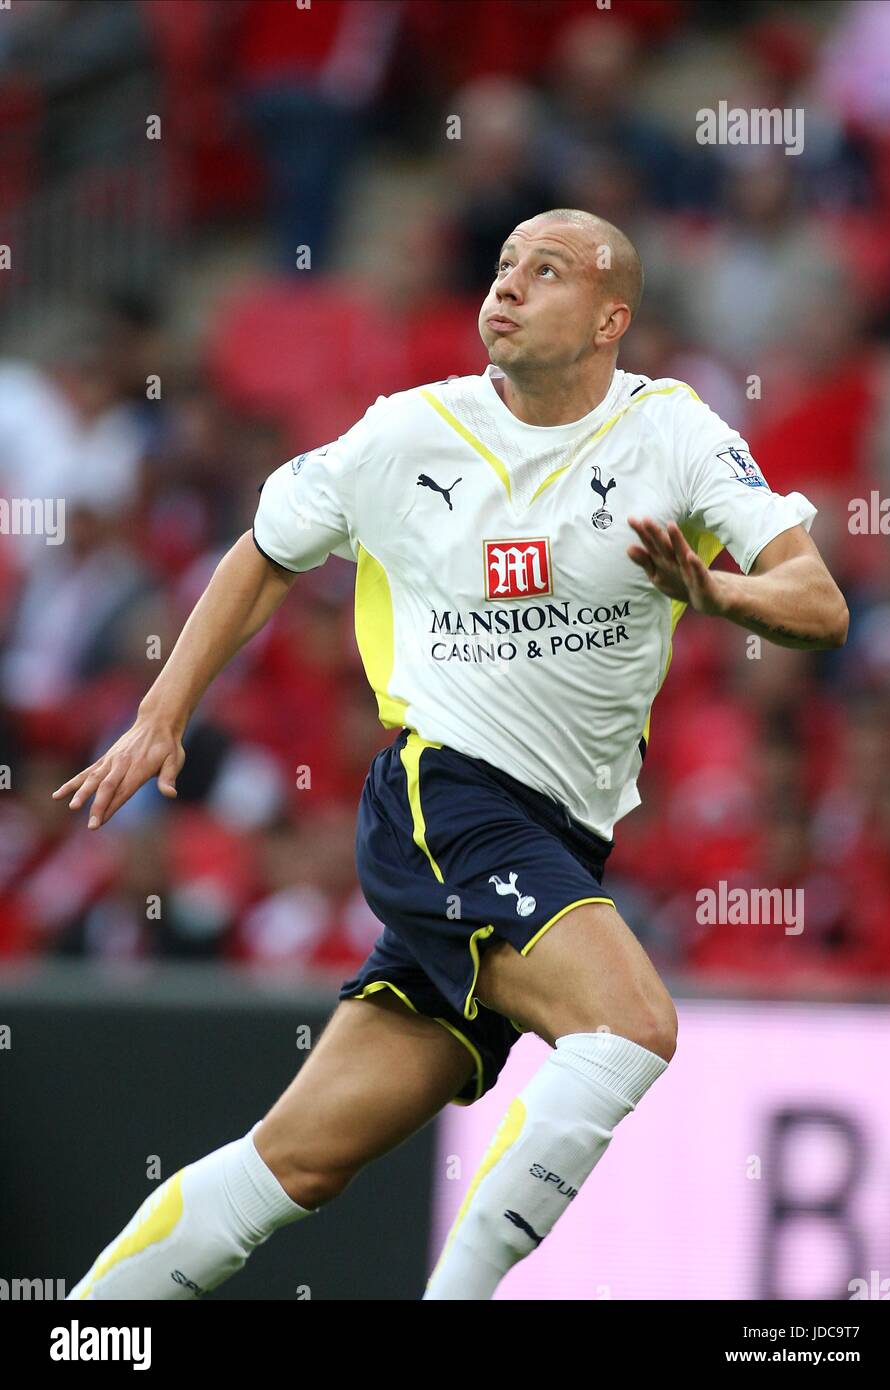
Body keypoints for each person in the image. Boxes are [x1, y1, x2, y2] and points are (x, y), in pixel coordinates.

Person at [57, 209, 848, 1301]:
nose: (508, 287)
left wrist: (720, 590)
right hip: (450, 797)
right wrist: (161, 710)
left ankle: (86, 1328)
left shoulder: (675, 436)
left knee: (296, 1161)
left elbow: (816, 601)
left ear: (612, 317)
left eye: (547, 271)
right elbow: (264, 550)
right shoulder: (405, 433)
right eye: (502, 267)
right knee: (630, 1027)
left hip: (559, 838)